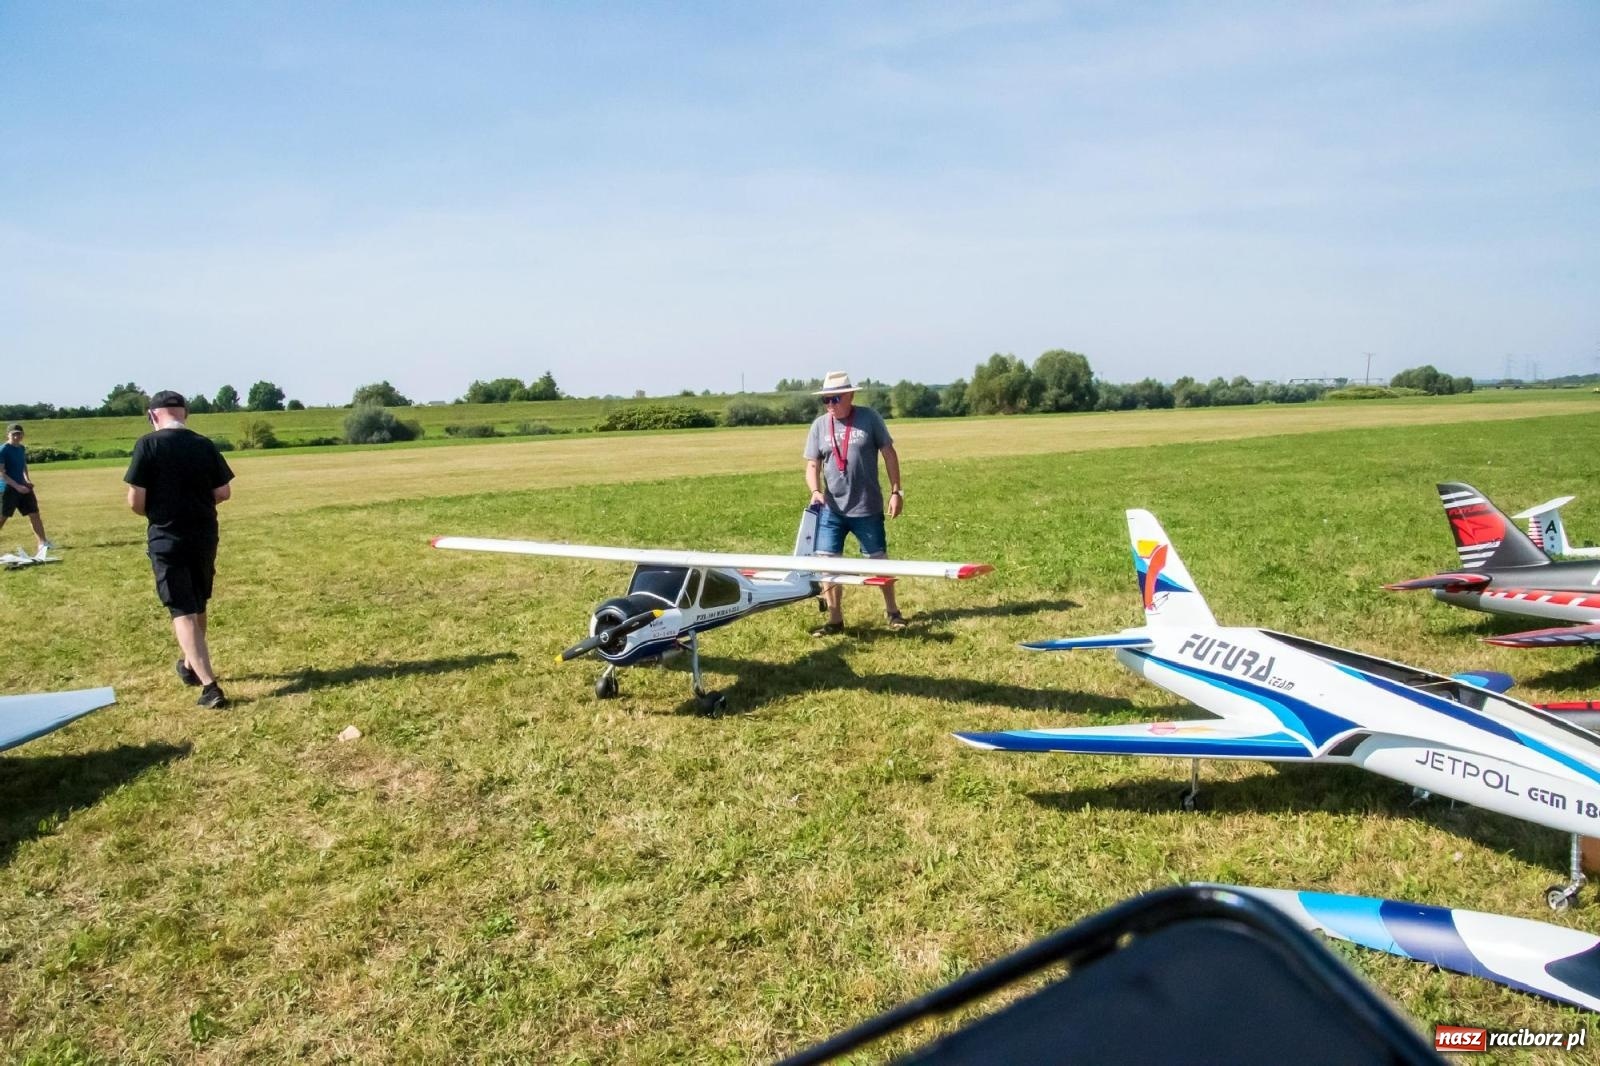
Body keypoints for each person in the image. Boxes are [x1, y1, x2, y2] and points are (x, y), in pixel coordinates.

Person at [124, 391, 235, 709]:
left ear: (153, 415)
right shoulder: (204, 444)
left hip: (166, 536)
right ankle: (190, 665)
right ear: (184, 414)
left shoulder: (148, 444)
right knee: (198, 604)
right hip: (203, 534)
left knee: (182, 610)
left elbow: (136, 501)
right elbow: (223, 491)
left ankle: (210, 687)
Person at [802, 371, 905, 635]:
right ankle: (835, 620)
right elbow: (813, 464)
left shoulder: (869, 418)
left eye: (835, 399)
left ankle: (893, 612)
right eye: (825, 400)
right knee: (827, 564)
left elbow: (889, 453)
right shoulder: (819, 426)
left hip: (867, 508)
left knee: (878, 562)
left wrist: (896, 492)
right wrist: (815, 490)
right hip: (832, 511)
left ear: (850, 396)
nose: (830, 405)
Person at [0, 423, 54, 558]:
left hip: (23, 487)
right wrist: (17, 487)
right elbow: (1, 473)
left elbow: (23, 465)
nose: (17, 437)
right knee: (2, 517)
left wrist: (26, 480)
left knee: (34, 513)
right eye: (14, 434)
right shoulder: (3, 450)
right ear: (8, 435)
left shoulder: (21, 448)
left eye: (19, 434)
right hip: (7, 488)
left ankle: (42, 543)